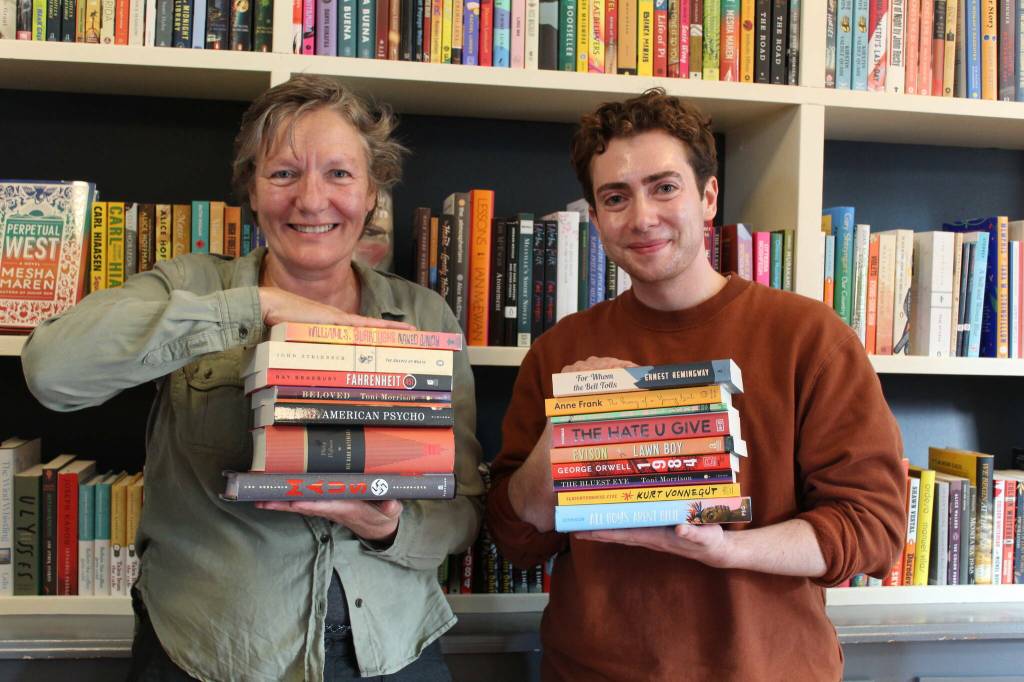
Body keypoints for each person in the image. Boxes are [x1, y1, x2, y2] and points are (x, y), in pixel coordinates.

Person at [22, 75, 484, 681]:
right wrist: (255, 308)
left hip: (394, 651)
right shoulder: (189, 285)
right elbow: (51, 372)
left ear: (373, 192)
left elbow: (465, 507)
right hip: (211, 652)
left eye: (340, 174)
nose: (312, 201)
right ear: (252, 190)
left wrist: (388, 526)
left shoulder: (425, 316)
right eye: (284, 173)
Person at [485, 88, 906, 680]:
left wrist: (725, 547)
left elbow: (873, 530)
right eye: (615, 197)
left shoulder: (808, 336)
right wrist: (562, 440)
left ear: (708, 197)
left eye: (665, 187)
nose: (642, 217)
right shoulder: (561, 350)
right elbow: (516, 538)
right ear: (597, 217)